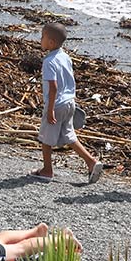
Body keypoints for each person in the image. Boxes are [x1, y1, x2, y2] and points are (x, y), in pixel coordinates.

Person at [31, 22, 103, 184]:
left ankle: (47, 170)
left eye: (42, 37)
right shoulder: (66, 57)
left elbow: (53, 87)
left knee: (45, 138)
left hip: (56, 104)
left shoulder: (49, 61)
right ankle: (91, 162)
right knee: (69, 135)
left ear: (51, 42)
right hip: (69, 102)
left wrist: (49, 110)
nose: (40, 39)